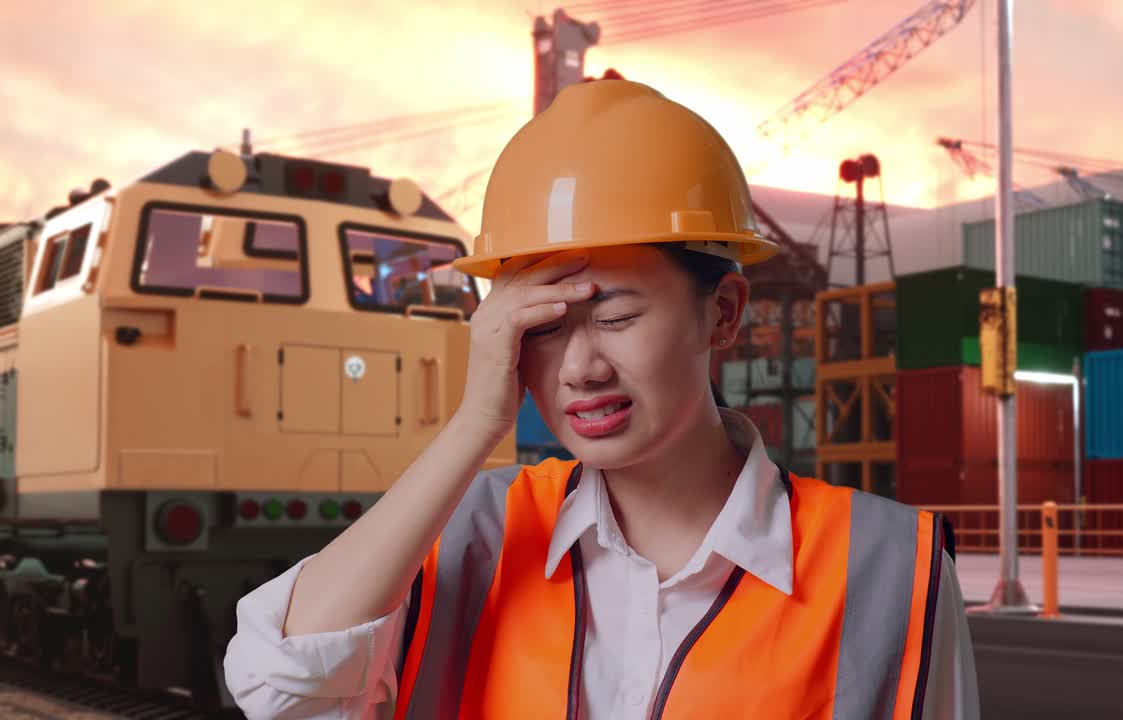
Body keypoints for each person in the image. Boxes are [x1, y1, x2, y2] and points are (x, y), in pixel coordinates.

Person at [223, 79, 980, 719]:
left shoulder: (887, 566)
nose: (581, 367)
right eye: (544, 327)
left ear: (722, 314)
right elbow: (276, 684)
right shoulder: (473, 534)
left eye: (616, 316)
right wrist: (470, 427)